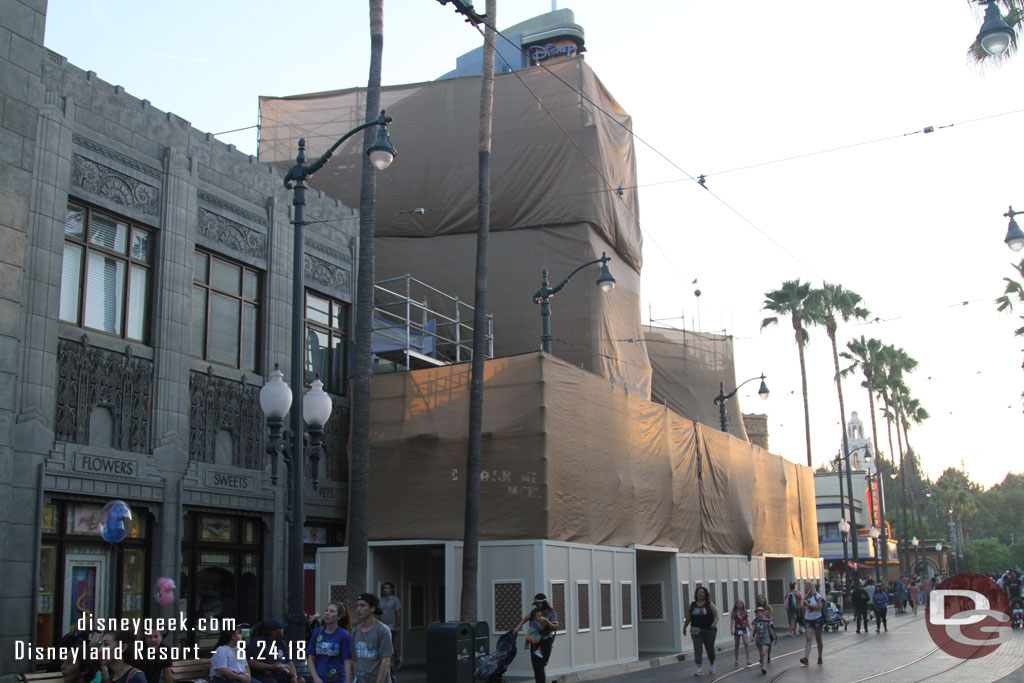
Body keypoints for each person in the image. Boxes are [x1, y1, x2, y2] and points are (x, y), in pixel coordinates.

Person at [514, 592, 559, 683]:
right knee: (535, 666)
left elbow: (555, 627)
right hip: (534, 641)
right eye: (535, 604)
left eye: (537, 604)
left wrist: (547, 622)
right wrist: (517, 628)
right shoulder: (535, 612)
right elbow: (525, 619)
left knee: (540, 665)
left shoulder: (551, 612)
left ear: (543, 602)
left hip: (545, 641)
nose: (536, 606)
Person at [307, 602, 354, 683]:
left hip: (337, 679)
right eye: (326, 610)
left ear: (339, 616)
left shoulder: (343, 635)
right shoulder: (318, 632)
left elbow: (347, 663)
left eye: (332, 611)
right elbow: (310, 658)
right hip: (319, 679)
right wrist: (316, 678)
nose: (327, 613)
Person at [353, 593, 394, 683]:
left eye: (362, 605)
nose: (358, 609)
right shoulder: (356, 631)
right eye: (357, 605)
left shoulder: (382, 630)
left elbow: (386, 660)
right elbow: (355, 659)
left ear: (372, 608)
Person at [249, 619, 302, 683]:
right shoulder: (258, 642)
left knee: (301, 680)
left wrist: (294, 676)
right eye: (281, 629)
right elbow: (251, 662)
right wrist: (270, 667)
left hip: (283, 674)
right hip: (266, 676)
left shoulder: (282, 644)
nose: (283, 630)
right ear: (273, 632)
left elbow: (289, 661)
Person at [682, 585, 719, 677]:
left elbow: (716, 615)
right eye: (699, 593)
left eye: (702, 592)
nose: (700, 594)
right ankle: (699, 668)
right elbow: (688, 617)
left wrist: (714, 623)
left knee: (709, 648)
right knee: (697, 648)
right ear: (696, 594)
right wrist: (684, 627)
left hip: (709, 629)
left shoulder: (709, 604)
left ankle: (712, 664)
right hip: (696, 629)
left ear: (705, 594)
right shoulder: (693, 605)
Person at [799, 582, 824, 666]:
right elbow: (803, 608)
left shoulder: (817, 596)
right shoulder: (805, 597)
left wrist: (809, 604)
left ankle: (820, 656)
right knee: (808, 638)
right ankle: (806, 658)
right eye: (805, 586)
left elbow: (819, 607)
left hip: (817, 619)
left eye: (807, 586)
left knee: (818, 639)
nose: (805, 588)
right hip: (808, 619)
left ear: (811, 587)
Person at [378, 583, 402, 669]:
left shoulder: (395, 600)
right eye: (384, 588)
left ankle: (396, 658)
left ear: (391, 590)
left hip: (392, 625)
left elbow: (398, 612)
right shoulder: (381, 600)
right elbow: (379, 613)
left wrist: (398, 625)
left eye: (387, 588)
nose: (385, 590)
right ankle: (384, 661)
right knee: (382, 643)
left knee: (390, 643)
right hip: (383, 625)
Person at [751, 606, 774, 675]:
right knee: (761, 653)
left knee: (764, 652)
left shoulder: (766, 621)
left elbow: (770, 629)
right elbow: (753, 629)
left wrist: (774, 637)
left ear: (763, 613)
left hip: (766, 639)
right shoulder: (755, 621)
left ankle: (764, 667)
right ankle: (762, 660)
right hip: (759, 639)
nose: (759, 614)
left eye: (761, 612)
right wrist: (751, 636)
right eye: (758, 613)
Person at [753, 594, 775, 664]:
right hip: (760, 626)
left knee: (768, 642)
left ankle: (767, 656)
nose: (761, 600)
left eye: (762, 598)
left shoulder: (768, 607)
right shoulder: (757, 609)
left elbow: (771, 615)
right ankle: (762, 657)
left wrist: (768, 621)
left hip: (768, 625)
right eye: (759, 598)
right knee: (760, 641)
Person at [730, 598, 751, 668]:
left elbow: (746, 620)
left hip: (743, 628)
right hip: (737, 629)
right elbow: (732, 621)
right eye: (738, 603)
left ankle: (748, 658)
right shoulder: (734, 612)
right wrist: (732, 629)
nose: (739, 605)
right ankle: (736, 660)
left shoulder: (744, 611)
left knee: (746, 643)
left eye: (741, 603)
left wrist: (750, 628)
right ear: (736, 604)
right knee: (737, 645)